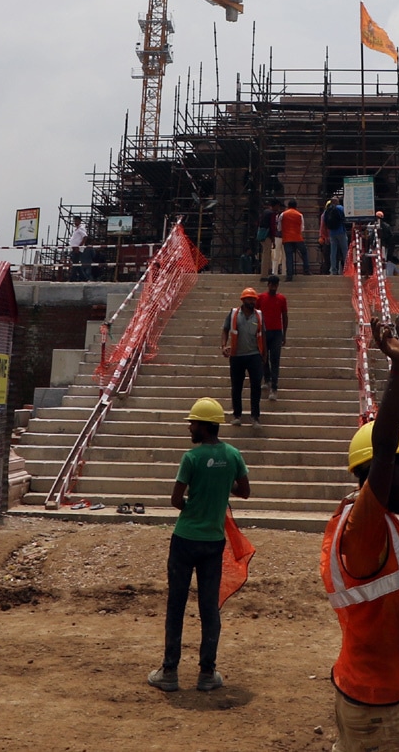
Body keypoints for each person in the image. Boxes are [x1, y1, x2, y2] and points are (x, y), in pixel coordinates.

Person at [322, 320, 399, 751]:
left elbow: (387, 446)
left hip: (384, 696)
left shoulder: (374, 519)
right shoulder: (365, 524)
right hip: (376, 708)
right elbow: (385, 447)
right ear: (379, 477)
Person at [149, 397, 249, 694]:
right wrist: (220, 486)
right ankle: (207, 674)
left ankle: (169, 673)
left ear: (205, 427)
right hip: (213, 543)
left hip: (184, 541)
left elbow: (176, 500)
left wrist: (195, 503)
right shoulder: (233, 456)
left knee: (176, 606)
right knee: (209, 608)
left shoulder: (190, 459)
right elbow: (244, 491)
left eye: (193, 423)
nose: (190, 427)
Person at [222, 288, 265, 422]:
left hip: (254, 355)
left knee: (256, 385)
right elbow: (225, 330)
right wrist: (223, 346)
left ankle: (255, 416)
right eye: (249, 299)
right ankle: (237, 415)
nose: (252, 301)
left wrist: (264, 356)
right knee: (236, 386)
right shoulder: (234, 313)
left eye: (253, 299)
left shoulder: (259, 315)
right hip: (237, 355)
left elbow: (263, 335)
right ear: (243, 300)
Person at [257, 277, 289, 398]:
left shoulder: (281, 299)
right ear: (268, 285)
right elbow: (255, 313)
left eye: (276, 285)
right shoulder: (261, 298)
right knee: (264, 357)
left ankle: (274, 387)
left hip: (276, 332)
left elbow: (285, 316)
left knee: (275, 359)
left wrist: (284, 334)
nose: (273, 287)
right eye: (272, 284)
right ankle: (267, 379)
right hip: (264, 332)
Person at [279, 199, 307, 278]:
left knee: (289, 256)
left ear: (288, 206)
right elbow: (302, 228)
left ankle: (289, 275)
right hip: (297, 237)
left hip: (287, 238)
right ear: (296, 206)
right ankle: (306, 269)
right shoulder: (299, 215)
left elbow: (279, 227)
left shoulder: (283, 214)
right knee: (304, 253)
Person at [325, 195, 351, 275]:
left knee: (333, 252)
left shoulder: (327, 210)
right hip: (341, 231)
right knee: (345, 251)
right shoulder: (340, 208)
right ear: (338, 202)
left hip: (332, 232)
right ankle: (347, 269)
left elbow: (325, 221)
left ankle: (333, 270)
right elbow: (345, 217)